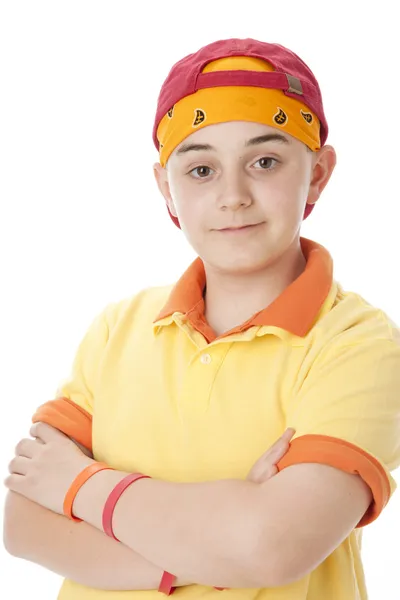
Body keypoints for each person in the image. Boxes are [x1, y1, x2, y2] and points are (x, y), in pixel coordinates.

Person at [3, 37, 400, 600]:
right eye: (201, 169)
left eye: (265, 161)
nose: (233, 195)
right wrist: (208, 551)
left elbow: (272, 546)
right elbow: (22, 525)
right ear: (166, 187)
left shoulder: (358, 344)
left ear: (317, 174)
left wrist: (76, 484)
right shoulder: (117, 329)